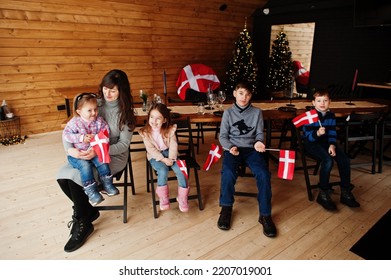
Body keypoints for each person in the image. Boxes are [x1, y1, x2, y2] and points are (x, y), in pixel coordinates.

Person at [56, 69, 136, 252]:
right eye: (105, 88)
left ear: (121, 91)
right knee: (62, 177)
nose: (107, 93)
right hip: (84, 152)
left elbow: (124, 145)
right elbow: (68, 130)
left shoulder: (127, 114)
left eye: (113, 90)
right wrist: (71, 150)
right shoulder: (93, 104)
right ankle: (87, 211)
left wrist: (99, 151)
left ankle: (82, 221)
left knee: (75, 179)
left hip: (112, 155)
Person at [217, 81, 277, 238]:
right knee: (228, 172)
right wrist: (230, 146)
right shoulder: (228, 113)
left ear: (251, 96)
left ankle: (265, 214)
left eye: (248, 94)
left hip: (251, 149)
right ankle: (226, 207)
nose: (244, 97)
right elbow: (222, 136)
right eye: (241, 93)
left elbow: (259, 134)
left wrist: (259, 142)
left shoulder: (257, 113)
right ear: (235, 93)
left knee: (263, 174)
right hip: (233, 149)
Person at [302, 89, 360, 211]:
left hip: (326, 143)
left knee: (344, 160)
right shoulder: (310, 115)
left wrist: (332, 144)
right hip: (312, 143)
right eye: (319, 101)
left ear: (330, 102)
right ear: (313, 102)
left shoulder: (331, 115)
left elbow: (332, 132)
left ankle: (345, 191)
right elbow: (307, 135)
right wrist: (317, 133)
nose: (322, 103)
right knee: (328, 161)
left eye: (325, 100)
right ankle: (323, 192)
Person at [63, 92, 119, 207]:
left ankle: (107, 185)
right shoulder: (74, 122)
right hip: (79, 154)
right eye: (89, 110)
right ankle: (91, 192)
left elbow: (106, 131)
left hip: (95, 151)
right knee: (85, 166)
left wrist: (99, 139)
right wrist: (81, 137)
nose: (94, 113)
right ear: (79, 111)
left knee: (102, 161)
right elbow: (66, 135)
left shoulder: (99, 121)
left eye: (95, 109)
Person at [139, 103, 189, 212]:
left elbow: (173, 144)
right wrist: (163, 159)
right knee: (162, 170)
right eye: (152, 117)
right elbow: (151, 149)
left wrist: (171, 158)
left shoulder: (170, 130)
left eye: (158, 118)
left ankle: (182, 197)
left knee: (181, 169)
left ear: (164, 120)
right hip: (155, 156)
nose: (154, 121)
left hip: (171, 153)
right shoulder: (145, 133)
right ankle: (163, 197)